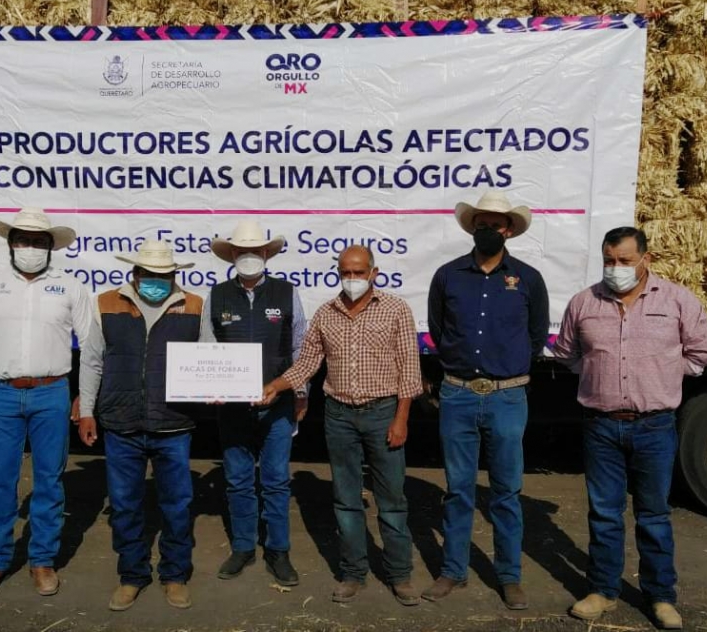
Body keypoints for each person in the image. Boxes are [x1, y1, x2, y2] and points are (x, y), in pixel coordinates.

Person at [552, 226, 707, 630]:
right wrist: (598, 377)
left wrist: (663, 376)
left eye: (625, 260)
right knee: (604, 513)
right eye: (609, 260)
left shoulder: (677, 301)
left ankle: (660, 596)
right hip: (601, 426)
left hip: (654, 426)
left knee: (654, 515)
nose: (616, 268)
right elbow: (567, 354)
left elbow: (700, 353)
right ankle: (602, 590)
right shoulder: (584, 302)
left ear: (646, 259)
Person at [260, 245, 423, 606]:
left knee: (392, 500)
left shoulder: (396, 309)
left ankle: (400, 575)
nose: (352, 279)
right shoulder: (326, 313)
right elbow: (307, 364)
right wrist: (276, 385)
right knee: (346, 499)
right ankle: (353, 573)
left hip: (383, 412)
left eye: (359, 272)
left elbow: (410, 369)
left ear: (373, 273)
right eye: (345, 273)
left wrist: (401, 418)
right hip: (339, 416)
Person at [0, 207, 99, 598]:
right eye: (22, 240)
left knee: (50, 480)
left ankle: (42, 560)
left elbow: (91, 347)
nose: (30, 248)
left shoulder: (70, 287)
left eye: (37, 241)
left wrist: (86, 399)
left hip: (52, 392)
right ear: (10, 244)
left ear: (50, 246)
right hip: (1, 393)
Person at [425, 190, 549, 609]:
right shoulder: (448, 276)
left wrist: (508, 366)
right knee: (458, 489)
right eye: (482, 224)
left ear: (509, 230)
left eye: (496, 225)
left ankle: (509, 576)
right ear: (472, 228)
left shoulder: (528, 279)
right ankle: (452, 571)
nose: (489, 230)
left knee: (506, 491)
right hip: (458, 393)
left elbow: (536, 335)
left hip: (507, 396)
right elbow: (439, 331)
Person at [76, 240, 202, 612]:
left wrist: (214, 388)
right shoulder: (106, 303)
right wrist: (87, 410)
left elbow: (208, 357)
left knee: (177, 506)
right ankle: (132, 575)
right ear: (135, 272)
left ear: (174, 274)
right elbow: (92, 361)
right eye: (149, 274)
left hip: (174, 424)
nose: (156, 280)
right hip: (121, 424)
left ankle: (175, 575)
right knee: (125, 506)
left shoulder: (195, 305)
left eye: (164, 274)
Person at [201, 221, 307, 586]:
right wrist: (209, 384)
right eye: (242, 251)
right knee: (238, 480)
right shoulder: (217, 295)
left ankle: (278, 551)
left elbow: (300, 346)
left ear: (266, 254)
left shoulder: (286, 292)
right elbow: (207, 346)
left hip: (277, 404)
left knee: (276, 481)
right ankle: (244, 547)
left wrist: (300, 392)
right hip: (232, 408)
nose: (249, 256)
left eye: (255, 251)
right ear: (231, 254)